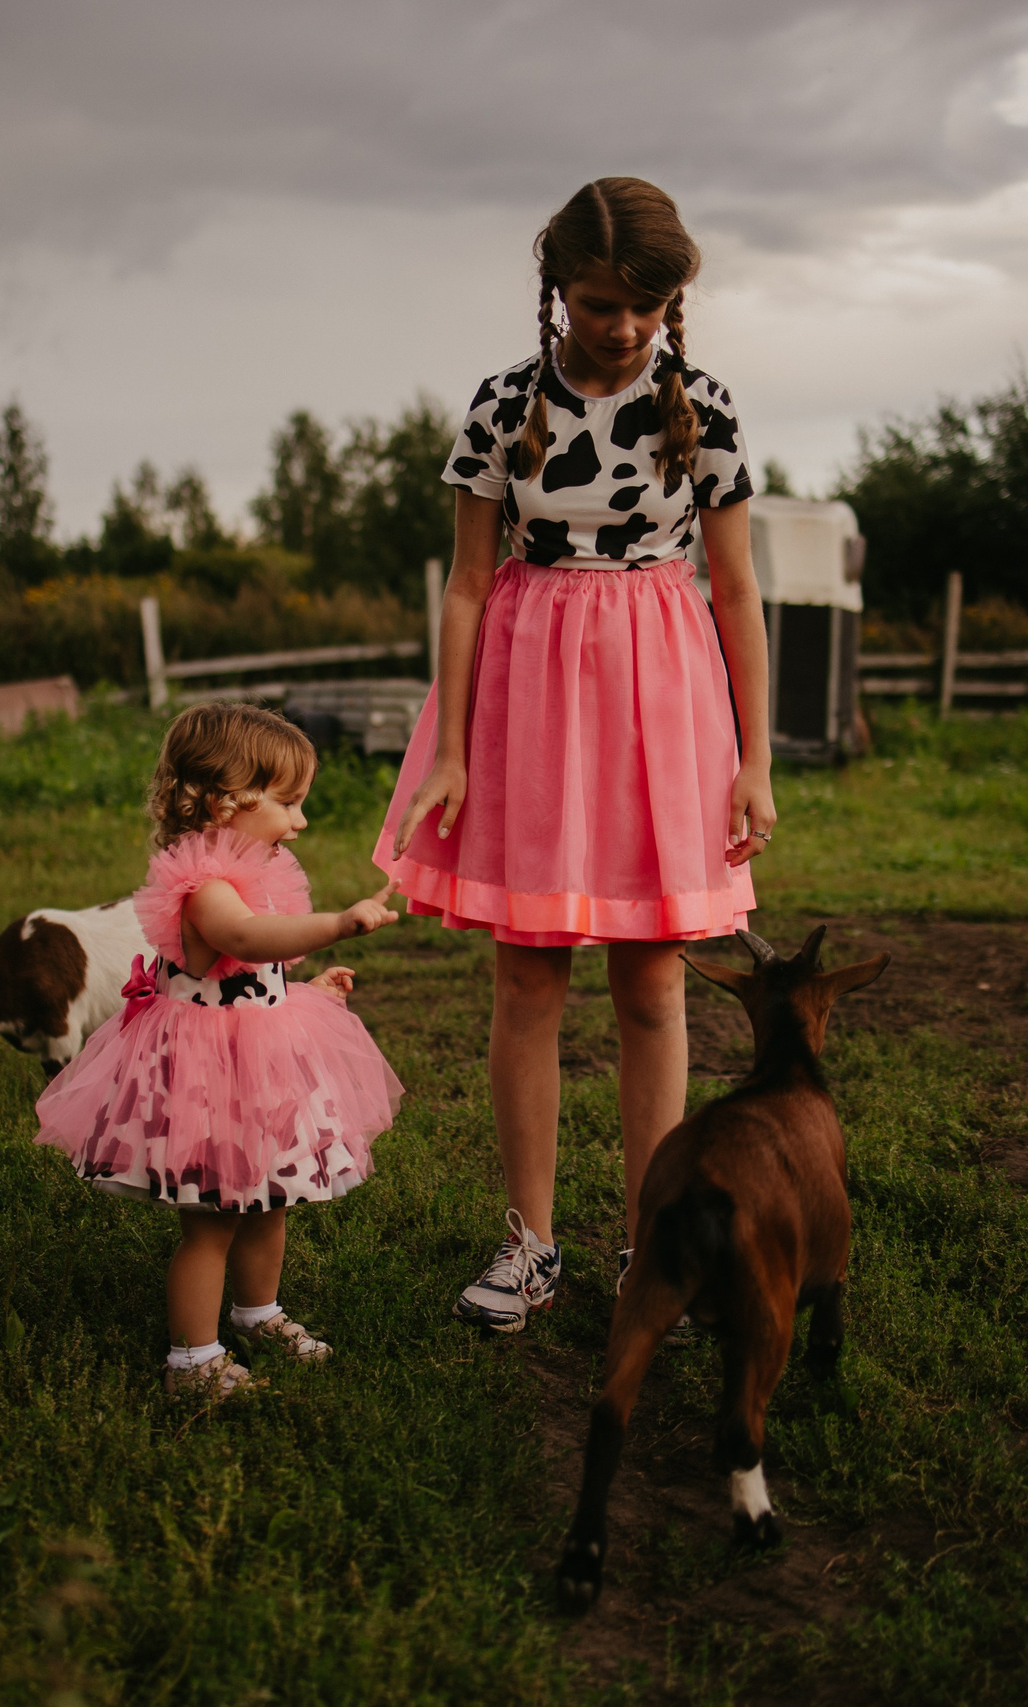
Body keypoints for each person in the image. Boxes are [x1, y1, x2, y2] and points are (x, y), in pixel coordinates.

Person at [374, 177, 775, 1333]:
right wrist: (447, 747)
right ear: (558, 293)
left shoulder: (703, 405)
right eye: (601, 302)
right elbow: (462, 585)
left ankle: (652, 1248)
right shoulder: (505, 403)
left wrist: (753, 758)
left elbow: (739, 591)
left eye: (648, 304)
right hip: (527, 693)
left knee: (653, 981)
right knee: (526, 975)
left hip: (661, 691)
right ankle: (531, 1244)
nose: (624, 325)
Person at [35, 703, 405, 1398]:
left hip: (258, 1059)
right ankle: (193, 1360)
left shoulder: (253, 870)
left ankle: (258, 1311)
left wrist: (310, 988)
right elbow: (247, 939)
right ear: (224, 799)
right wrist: (336, 924)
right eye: (289, 802)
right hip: (208, 1076)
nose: (299, 821)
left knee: (270, 1202)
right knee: (211, 1223)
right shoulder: (203, 887)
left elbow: (258, 971)